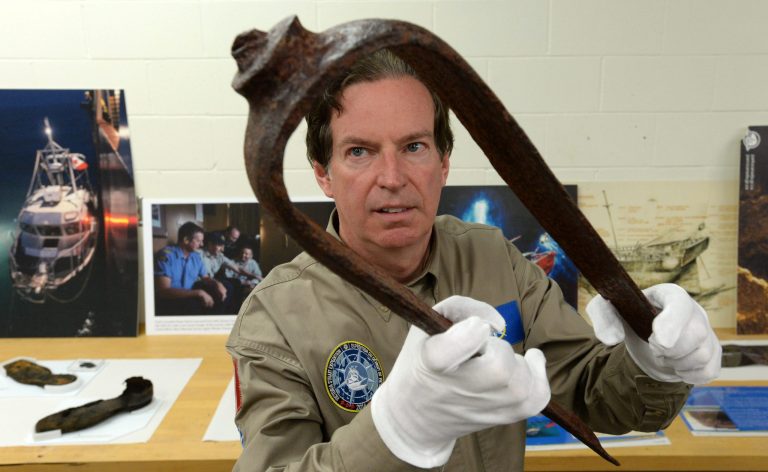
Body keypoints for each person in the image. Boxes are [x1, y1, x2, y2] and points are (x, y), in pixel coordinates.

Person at [226, 50, 721, 471]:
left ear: (443, 163)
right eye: (359, 152)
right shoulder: (275, 318)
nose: (392, 176)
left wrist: (656, 363)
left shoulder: (494, 259)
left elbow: (602, 397)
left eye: (414, 146)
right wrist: (395, 431)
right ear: (323, 174)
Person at [154, 221, 227, 315]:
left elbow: (205, 278)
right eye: (198, 241)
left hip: (189, 293)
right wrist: (199, 293)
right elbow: (164, 291)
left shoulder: (196, 257)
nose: (201, 244)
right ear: (186, 240)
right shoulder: (166, 256)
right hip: (170, 298)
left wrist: (217, 283)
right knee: (193, 304)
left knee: (222, 290)